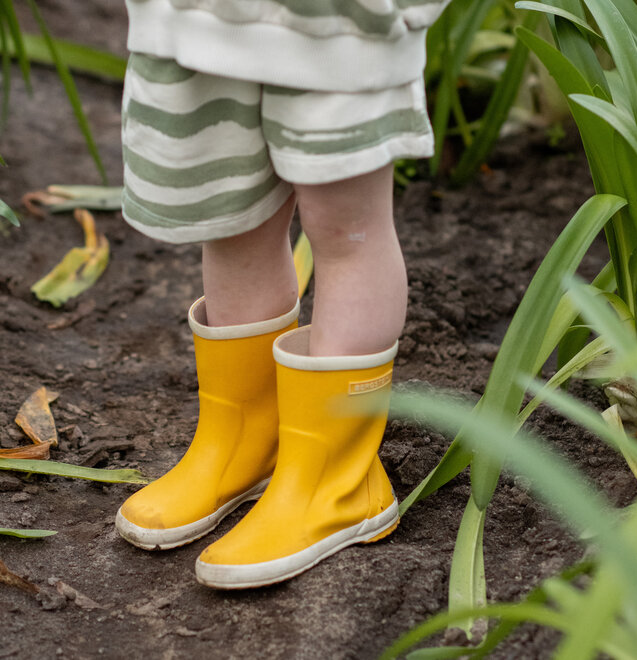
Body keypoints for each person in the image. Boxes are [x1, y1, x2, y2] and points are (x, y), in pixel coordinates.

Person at [115, 0, 452, 589]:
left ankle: (336, 479)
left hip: (338, 25)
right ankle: (247, 439)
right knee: (230, 216)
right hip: (196, 18)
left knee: (347, 228)